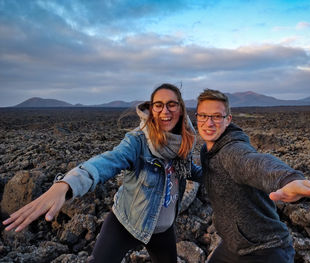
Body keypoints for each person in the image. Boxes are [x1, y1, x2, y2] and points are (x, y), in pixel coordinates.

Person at [3, 83, 202, 263]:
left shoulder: (184, 140)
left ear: (181, 108)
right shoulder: (138, 141)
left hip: (162, 229)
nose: (165, 111)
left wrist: (218, 175)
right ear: (151, 110)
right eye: (158, 105)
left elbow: (187, 171)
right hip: (126, 224)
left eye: (171, 104)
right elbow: (107, 161)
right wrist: (66, 184)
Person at [195, 89, 310, 263]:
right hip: (232, 246)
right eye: (203, 116)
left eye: (217, 116)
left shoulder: (232, 151)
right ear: (196, 118)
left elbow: (253, 163)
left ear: (228, 120)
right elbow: (211, 175)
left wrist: (287, 179)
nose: (208, 123)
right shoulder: (207, 151)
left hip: (266, 249)